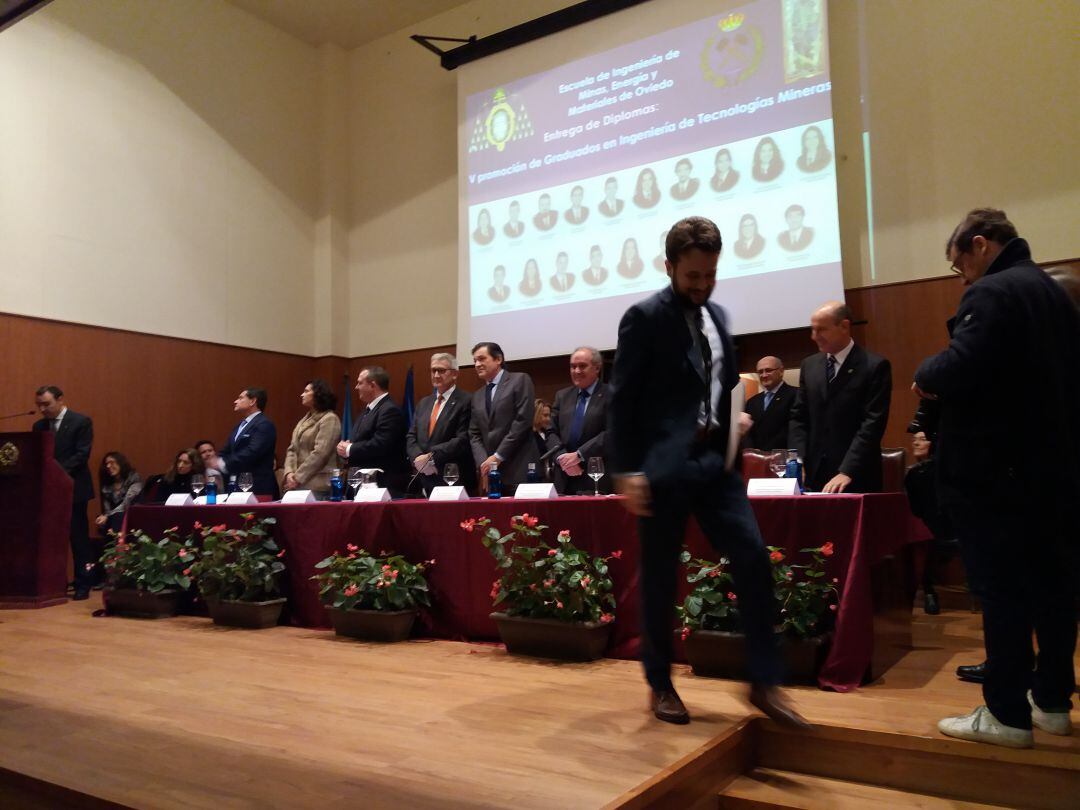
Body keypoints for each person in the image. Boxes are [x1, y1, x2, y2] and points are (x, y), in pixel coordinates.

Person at [609, 216, 808, 728]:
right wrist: (627, 469)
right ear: (670, 266)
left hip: (716, 465)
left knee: (753, 558)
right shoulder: (643, 318)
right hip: (663, 471)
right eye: (693, 275)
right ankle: (659, 685)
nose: (702, 285)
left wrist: (729, 419)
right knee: (659, 580)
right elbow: (623, 400)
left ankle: (763, 682)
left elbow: (714, 384)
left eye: (711, 274)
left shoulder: (718, 316)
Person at [914, 208, 1079, 748]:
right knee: (1054, 587)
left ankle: (1006, 714)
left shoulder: (994, 292)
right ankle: (1051, 702)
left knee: (1002, 591)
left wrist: (924, 375)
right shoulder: (1053, 293)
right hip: (1051, 469)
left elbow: (960, 367)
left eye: (960, 264)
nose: (962, 277)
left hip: (994, 475)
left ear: (979, 245)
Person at [788, 302, 891, 493]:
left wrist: (847, 470)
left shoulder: (874, 366)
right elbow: (799, 417)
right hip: (813, 473)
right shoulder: (809, 365)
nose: (814, 337)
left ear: (844, 326)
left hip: (856, 474)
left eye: (821, 330)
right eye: (812, 330)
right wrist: (798, 461)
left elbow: (872, 424)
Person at [32, 385, 94, 600]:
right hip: (48, 493)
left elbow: (81, 455)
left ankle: (83, 583)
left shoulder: (81, 422)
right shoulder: (39, 426)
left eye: (46, 404)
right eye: (39, 405)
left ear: (60, 400)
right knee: (50, 539)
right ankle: (53, 583)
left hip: (74, 489)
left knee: (78, 538)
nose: (42, 409)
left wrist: (56, 473)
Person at [468, 341, 539, 493]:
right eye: (475, 361)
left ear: (498, 359)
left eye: (482, 359)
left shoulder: (520, 380)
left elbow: (522, 421)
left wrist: (498, 456)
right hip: (491, 475)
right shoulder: (477, 395)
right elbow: (474, 434)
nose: (477, 364)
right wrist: (484, 464)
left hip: (519, 469)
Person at [406, 353, 476, 495]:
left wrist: (431, 457)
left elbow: (463, 439)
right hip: (423, 479)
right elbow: (411, 436)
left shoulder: (467, 400)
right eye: (433, 371)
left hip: (453, 479)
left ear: (455, 374)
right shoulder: (424, 403)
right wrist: (419, 459)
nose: (436, 375)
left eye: (441, 370)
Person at [336, 367, 409, 496]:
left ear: (372, 385)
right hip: (364, 485)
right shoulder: (368, 410)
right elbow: (361, 441)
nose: (356, 387)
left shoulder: (389, 410)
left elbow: (381, 444)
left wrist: (350, 449)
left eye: (360, 383)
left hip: (383, 486)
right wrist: (346, 449)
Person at [546, 347, 610, 495]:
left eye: (582, 366)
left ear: (597, 368)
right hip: (564, 477)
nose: (576, 371)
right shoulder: (562, 396)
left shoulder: (611, 394)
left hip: (598, 477)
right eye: (573, 366)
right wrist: (563, 459)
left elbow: (613, 432)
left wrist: (579, 455)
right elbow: (550, 432)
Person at [282, 379, 341, 497]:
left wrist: (298, 477)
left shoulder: (329, 419)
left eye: (306, 391)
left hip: (317, 484)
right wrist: (289, 473)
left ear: (318, 394)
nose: (302, 395)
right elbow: (292, 450)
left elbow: (321, 453)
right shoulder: (303, 420)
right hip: (296, 483)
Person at [216, 387, 279, 498]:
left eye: (240, 398)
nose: (235, 401)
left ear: (252, 401)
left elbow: (253, 451)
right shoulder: (239, 426)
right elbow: (227, 450)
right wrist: (216, 461)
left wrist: (223, 463)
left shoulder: (264, 425)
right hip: (238, 485)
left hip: (258, 487)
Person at [744, 356, 794, 451]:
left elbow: (792, 430)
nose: (764, 375)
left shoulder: (796, 395)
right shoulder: (752, 401)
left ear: (781, 371)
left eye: (768, 370)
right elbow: (748, 432)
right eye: (760, 372)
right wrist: (751, 450)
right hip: (756, 459)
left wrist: (767, 453)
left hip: (783, 457)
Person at [96, 452, 142, 536]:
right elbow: (107, 509)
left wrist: (107, 516)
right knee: (104, 522)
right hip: (114, 518)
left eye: (112, 462)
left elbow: (126, 504)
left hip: (131, 514)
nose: (108, 466)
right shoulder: (107, 484)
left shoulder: (133, 478)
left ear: (121, 463)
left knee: (117, 517)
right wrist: (103, 517)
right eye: (107, 464)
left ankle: (119, 547)